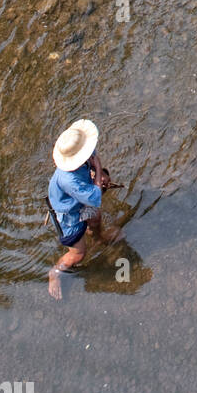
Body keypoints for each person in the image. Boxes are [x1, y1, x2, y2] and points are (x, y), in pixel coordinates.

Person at [47, 119, 120, 300]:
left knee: (95, 217)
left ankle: (99, 236)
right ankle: (55, 272)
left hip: (79, 201)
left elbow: (94, 156)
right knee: (79, 254)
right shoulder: (68, 180)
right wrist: (96, 169)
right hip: (68, 216)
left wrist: (100, 173)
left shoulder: (85, 152)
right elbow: (94, 198)